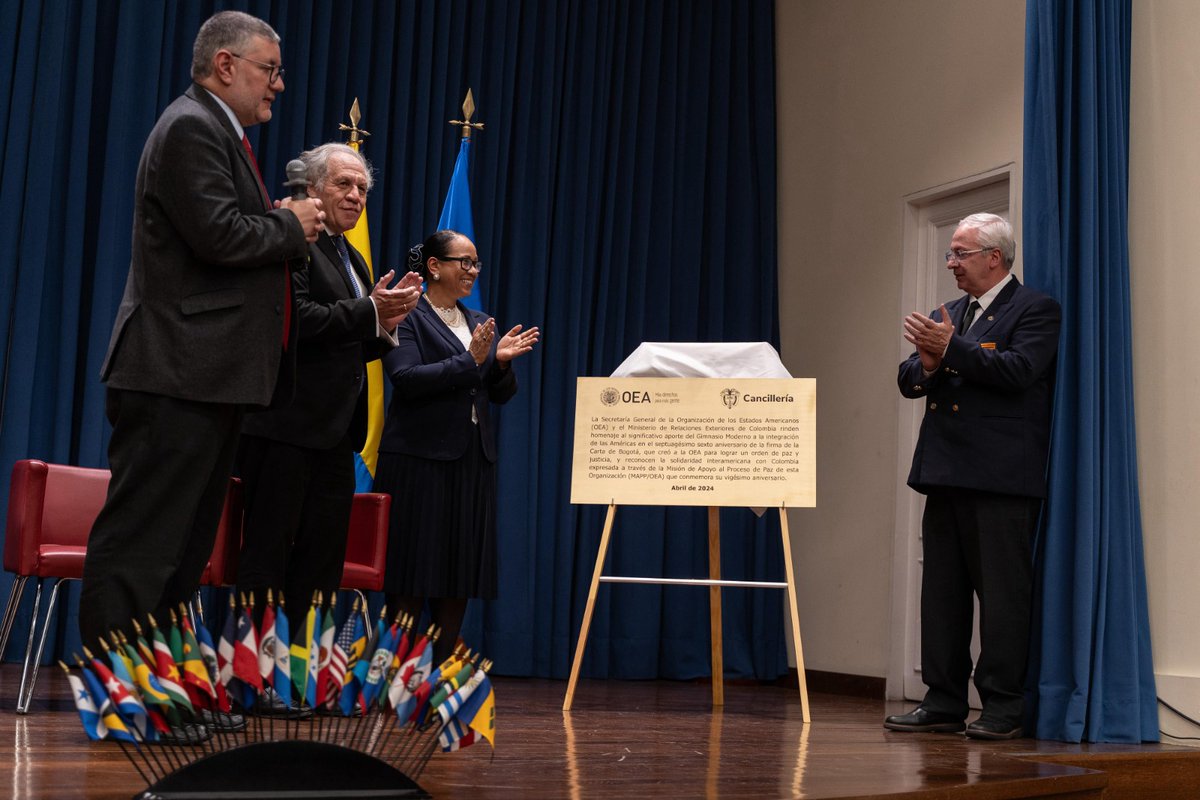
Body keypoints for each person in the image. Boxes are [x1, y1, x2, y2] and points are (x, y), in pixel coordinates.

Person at [79, 10, 325, 648]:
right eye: (269, 70)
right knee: (145, 545)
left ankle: (163, 689)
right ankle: (121, 695)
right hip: (174, 372)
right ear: (226, 65)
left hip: (208, 377)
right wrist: (290, 226)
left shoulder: (216, 131)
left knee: (183, 551)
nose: (277, 85)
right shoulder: (192, 127)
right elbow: (218, 235)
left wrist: (277, 224)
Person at [884, 213, 1061, 740]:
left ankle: (1004, 705)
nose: (951, 263)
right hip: (945, 472)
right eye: (950, 253)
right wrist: (931, 361)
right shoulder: (951, 313)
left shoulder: (1035, 309)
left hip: (1001, 479)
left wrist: (950, 349)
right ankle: (942, 701)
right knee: (942, 595)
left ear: (995, 257)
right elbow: (909, 378)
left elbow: (1018, 371)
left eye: (960, 253)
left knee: (1004, 598)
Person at [236, 143, 422, 632]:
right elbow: (294, 322)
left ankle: (300, 676)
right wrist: (369, 312)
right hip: (284, 428)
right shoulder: (291, 241)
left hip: (337, 435)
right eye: (344, 184)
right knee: (268, 557)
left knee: (320, 564)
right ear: (312, 188)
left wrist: (385, 324)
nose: (356, 195)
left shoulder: (353, 261)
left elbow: (346, 341)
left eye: (362, 188)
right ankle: (256, 679)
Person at [375, 230, 539, 664]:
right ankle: (399, 677)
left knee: (458, 573)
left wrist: (499, 364)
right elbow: (406, 379)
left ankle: (441, 675)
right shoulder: (406, 315)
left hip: (470, 460)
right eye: (462, 262)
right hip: (418, 461)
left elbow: (495, 394)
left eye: (475, 264)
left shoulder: (479, 320)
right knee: (413, 571)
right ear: (434, 266)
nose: (470, 271)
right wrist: (470, 362)